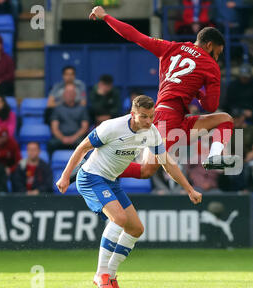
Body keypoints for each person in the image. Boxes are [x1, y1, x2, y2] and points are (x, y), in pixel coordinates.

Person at [55, 95, 202, 288]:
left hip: (111, 181)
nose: (149, 121)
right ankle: (101, 274)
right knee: (119, 218)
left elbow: (167, 163)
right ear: (132, 114)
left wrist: (189, 189)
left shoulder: (152, 132)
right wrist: (65, 177)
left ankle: (112, 276)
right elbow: (82, 149)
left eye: (151, 116)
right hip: (91, 178)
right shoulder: (111, 127)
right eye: (144, 117)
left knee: (136, 229)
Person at [89, 5, 239, 178]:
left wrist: (106, 16)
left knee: (225, 119)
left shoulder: (171, 47)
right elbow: (211, 106)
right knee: (146, 170)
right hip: (168, 121)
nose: (216, 58)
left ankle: (213, 157)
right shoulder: (211, 66)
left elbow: (135, 35)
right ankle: (94, 166)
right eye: (217, 53)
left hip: (169, 116)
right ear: (209, 45)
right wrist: (200, 93)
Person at [218, 108, 253, 191]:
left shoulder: (251, 129)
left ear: (243, 117)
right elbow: (224, 149)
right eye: (234, 118)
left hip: (248, 159)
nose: (236, 120)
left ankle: (250, 192)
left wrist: (245, 159)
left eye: (238, 117)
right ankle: (230, 193)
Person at [48, 83, 90, 156]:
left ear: (75, 94)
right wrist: (63, 138)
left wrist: (73, 138)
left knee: (85, 145)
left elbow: (84, 127)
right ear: (63, 94)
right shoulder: (57, 109)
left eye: (71, 92)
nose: (69, 94)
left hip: (77, 138)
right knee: (50, 144)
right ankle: (50, 166)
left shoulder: (82, 109)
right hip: (61, 138)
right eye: (67, 92)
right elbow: (54, 128)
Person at [222, 63, 253, 128]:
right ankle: (238, 133)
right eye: (243, 77)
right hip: (234, 111)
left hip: (251, 113)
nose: (244, 79)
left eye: (246, 77)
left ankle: (247, 132)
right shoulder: (233, 85)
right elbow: (228, 103)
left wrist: (247, 114)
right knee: (226, 119)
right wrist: (240, 113)